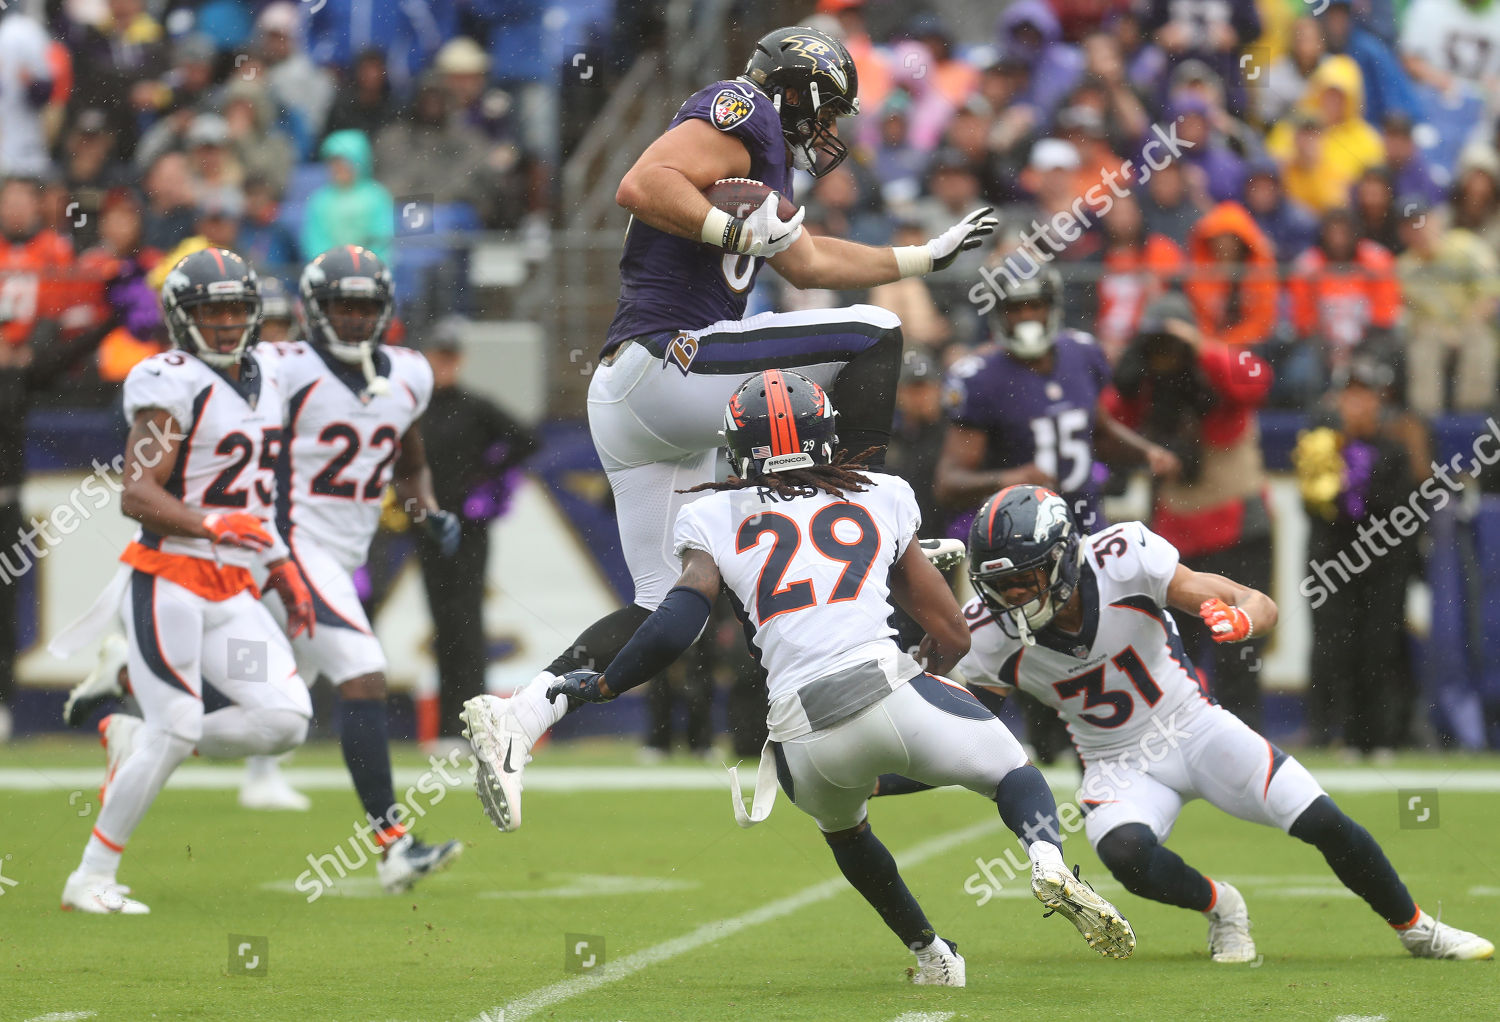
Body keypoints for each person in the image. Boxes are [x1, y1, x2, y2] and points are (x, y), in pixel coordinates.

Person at [458, 25, 997, 830]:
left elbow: (808, 263)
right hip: (670, 359)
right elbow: (642, 184)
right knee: (875, 339)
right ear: (798, 88)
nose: (830, 131)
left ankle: (524, 715)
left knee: (666, 609)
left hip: (641, 402)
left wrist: (922, 258)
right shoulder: (741, 107)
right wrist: (733, 231)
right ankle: (865, 516)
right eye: (828, 109)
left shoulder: (765, 150)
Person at [474, 372, 1135, 982]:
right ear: (828, 435)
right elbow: (955, 635)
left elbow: (678, 621)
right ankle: (1047, 863)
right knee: (1012, 772)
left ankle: (933, 955)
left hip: (800, 735)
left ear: (738, 446)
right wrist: (917, 680)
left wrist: (608, 685)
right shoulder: (883, 494)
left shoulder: (714, 514)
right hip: (886, 686)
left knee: (845, 829)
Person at [880, 484, 1492, 962]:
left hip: (1193, 725)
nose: (1010, 599)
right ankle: (1221, 905)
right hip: (1115, 761)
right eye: (998, 587)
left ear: (1064, 558)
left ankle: (1418, 928)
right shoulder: (985, 635)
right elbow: (939, 721)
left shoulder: (1124, 558)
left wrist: (1243, 621)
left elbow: (1258, 602)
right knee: (1125, 853)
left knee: (1322, 819)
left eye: (1023, 581)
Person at [52, 249, 316, 913]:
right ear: (180, 317)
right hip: (170, 581)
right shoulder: (169, 381)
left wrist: (282, 564)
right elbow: (137, 495)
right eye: (211, 311)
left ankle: (141, 736)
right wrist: (212, 523)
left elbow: (256, 494)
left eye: (235, 309)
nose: (226, 323)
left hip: (231, 593)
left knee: (284, 719)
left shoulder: (267, 379)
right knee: (176, 723)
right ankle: (90, 877)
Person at [235, 247, 463, 888]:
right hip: (289, 544)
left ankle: (139, 713)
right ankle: (394, 844)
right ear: (316, 308)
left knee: (273, 716)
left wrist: (428, 510)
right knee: (363, 674)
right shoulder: (284, 367)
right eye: (344, 305)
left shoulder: (409, 375)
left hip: (340, 553)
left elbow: (408, 460)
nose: (357, 318)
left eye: (366, 306)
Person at [936, 267, 1177, 763]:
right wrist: (1008, 477)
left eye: (1033, 305)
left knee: (1108, 637)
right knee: (1040, 649)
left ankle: (1124, 739)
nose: (1026, 317)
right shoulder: (980, 379)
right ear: (997, 316)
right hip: (1025, 550)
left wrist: (1145, 452)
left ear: (1052, 306)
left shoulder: (1081, 355)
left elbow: (1101, 430)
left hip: (1086, 534)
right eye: (1014, 308)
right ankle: (1048, 754)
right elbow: (949, 481)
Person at [1107, 295, 1274, 726]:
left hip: (1239, 530)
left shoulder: (1216, 372)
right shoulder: (1148, 384)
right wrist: (1131, 359)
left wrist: (1197, 343)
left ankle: (1246, 737)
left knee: (1240, 650)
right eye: (1157, 346)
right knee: (1174, 654)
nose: (1167, 356)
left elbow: (1258, 378)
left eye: (1172, 345)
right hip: (1176, 536)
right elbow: (1110, 418)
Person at [415, 316, 537, 739]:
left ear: (459, 360)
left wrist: (487, 478)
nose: (443, 365)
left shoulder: (473, 406)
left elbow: (526, 438)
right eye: (437, 357)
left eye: (450, 357)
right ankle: (450, 725)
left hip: (468, 529)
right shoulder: (416, 410)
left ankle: (473, 722)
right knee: (442, 621)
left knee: (466, 621)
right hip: (429, 528)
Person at [1295, 359, 1422, 755]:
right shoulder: (1322, 445)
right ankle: (1330, 732)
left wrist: (1359, 488)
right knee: (1332, 646)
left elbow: (1404, 512)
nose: (1357, 405)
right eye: (1350, 396)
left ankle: (1381, 736)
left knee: (1379, 647)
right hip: (1333, 565)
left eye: (1365, 396)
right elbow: (1313, 507)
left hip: (1382, 567)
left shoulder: (1396, 449)